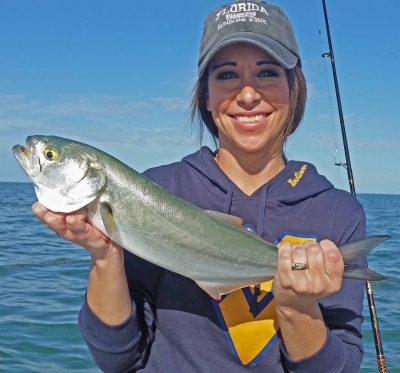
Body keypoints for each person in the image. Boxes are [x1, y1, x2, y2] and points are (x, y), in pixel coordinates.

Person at [33, 1, 367, 372]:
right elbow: (118, 358)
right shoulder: (157, 188)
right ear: (205, 94)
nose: (248, 94)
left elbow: (341, 365)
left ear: (295, 89)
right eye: (226, 75)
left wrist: (297, 307)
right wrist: (106, 255)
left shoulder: (338, 212)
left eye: (267, 72)